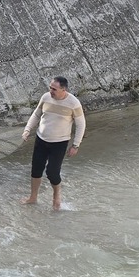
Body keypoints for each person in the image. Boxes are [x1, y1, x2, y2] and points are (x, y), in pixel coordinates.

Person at [21, 76, 86, 210]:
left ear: (63, 89)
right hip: (41, 139)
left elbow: (81, 125)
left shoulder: (73, 103)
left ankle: (57, 197)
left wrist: (76, 145)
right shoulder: (45, 97)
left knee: (52, 172)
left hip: (59, 142)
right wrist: (27, 129)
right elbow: (36, 114)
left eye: (54, 89)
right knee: (36, 170)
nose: (51, 91)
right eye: (50, 87)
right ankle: (33, 197)